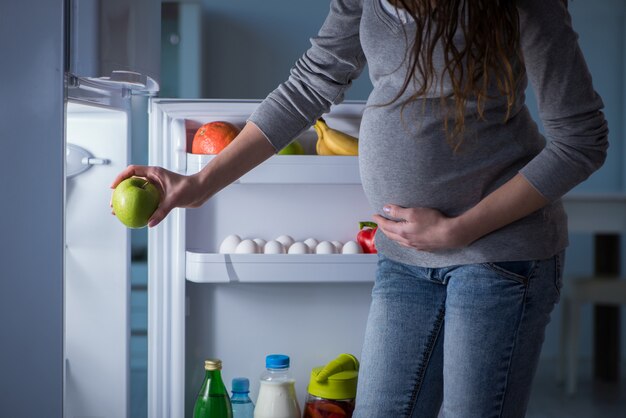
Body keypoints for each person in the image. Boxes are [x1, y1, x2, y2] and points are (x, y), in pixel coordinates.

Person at [111, 0, 608, 416]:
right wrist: (200, 183)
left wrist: (459, 230)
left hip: (498, 258)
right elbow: (310, 84)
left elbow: (581, 141)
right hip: (405, 259)